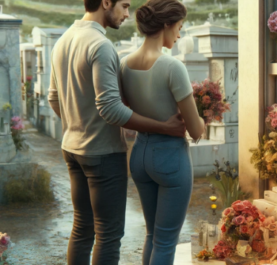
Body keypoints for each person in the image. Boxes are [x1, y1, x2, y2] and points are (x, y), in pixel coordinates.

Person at [47, 0, 187, 264]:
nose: (127, 14)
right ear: (105, 3)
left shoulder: (64, 39)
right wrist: (164, 127)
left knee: (81, 229)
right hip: (102, 153)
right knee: (108, 235)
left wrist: (77, 124)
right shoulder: (100, 45)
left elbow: (54, 99)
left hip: (72, 149)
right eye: (124, 5)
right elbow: (111, 109)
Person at [120, 0, 205, 264]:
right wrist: (203, 118)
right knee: (167, 241)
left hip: (139, 156)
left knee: (152, 235)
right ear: (166, 25)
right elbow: (195, 130)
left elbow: (125, 113)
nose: (179, 34)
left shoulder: (124, 64)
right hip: (169, 158)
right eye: (179, 27)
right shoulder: (172, 66)